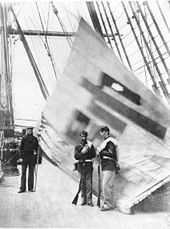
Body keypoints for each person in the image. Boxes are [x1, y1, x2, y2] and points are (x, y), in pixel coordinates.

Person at [97, 126, 119, 211]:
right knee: (109, 185)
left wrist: (100, 151)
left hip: (109, 164)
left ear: (106, 132)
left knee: (105, 184)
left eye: (102, 132)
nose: (101, 134)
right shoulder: (107, 141)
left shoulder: (110, 141)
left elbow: (111, 153)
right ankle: (110, 203)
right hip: (108, 164)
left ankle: (108, 204)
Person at [74, 130, 96, 206]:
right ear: (80, 136)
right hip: (81, 165)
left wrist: (88, 150)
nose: (84, 138)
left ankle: (89, 201)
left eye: (85, 136)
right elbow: (76, 157)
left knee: (89, 183)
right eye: (82, 136)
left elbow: (94, 155)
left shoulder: (90, 145)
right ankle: (83, 200)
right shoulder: (77, 146)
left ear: (87, 137)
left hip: (88, 165)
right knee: (82, 183)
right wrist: (83, 152)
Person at [18, 126, 39, 193]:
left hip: (31, 158)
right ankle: (22, 189)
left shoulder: (35, 139)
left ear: (32, 131)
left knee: (31, 174)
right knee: (23, 173)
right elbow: (20, 149)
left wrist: (36, 152)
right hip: (24, 157)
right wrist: (20, 157)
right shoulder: (23, 139)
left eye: (31, 130)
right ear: (27, 131)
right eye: (29, 130)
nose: (30, 131)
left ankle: (30, 188)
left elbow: (37, 148)